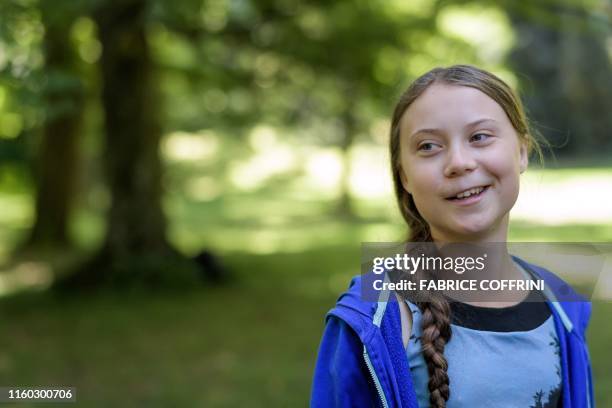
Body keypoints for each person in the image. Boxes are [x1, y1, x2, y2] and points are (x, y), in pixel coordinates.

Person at [310, 65, 594, 408]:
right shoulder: (375, 318)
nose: (459, 162)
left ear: (521, 151)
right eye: (429, 146)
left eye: (479, 137)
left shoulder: (560, 305)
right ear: (405, 177)